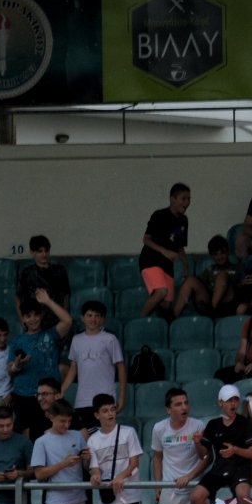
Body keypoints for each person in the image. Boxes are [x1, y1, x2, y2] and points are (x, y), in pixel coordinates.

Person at [10, 291, 73, 436]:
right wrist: (17, 365)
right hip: (23, 395)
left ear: (41, 315)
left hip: (49, 396)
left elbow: (68, 321)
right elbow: (9, 370)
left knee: (49, 433)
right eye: (28, 316)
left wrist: (47, 301)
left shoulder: (51, 334)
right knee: (26, 437)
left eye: (36, 315)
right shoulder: (17, 341)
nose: (33, 319)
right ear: (23, 319)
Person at [67, 301, 127, 429]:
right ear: (82, 318)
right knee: (85, 440)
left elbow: (120, 367)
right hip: (82, 400)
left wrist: (122, 397)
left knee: (105, 438)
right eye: (89, 315)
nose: (93, 319)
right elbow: (73, 367)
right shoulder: (76, 340)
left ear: (103, 319)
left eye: (97, 315)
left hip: (105, 399)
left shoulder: (110, 339)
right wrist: (62, 390)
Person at [139, 183, 193, 318]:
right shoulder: (159, 215)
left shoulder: (183, 220)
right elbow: (146, 239)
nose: (187, 203)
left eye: (189, 199)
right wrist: (164, 251)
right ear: (173, 199)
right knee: (161, 292)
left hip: (167, 264)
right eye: (183, 199)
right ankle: (140, 321)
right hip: (151, 260)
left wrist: (185, 263)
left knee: (166, 305)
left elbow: (180, 246)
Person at [15, 234, 73, 314]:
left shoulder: (60, 270)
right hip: (36, 319)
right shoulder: (27, 273)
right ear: (32, 253)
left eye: (46, 251)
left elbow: (66, 296)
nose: (44, 254)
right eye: (40, 251)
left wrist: (65, 315)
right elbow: (18, 298)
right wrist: (24, 321)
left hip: (58, 318)